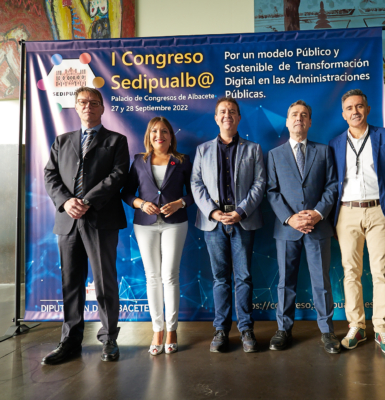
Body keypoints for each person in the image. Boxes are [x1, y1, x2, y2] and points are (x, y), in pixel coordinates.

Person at [43, 87, 129, 364]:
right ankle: (70, 340)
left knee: (105, 282)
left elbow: (118, 175)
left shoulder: (117, 141)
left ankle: (109, 339)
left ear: (102, 108)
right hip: (68, 221)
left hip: (101, 219)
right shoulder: (62, 140)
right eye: (82, 102)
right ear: (76, 107)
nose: (88, 106)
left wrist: (87, 201)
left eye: (94, 102)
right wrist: (67, 202)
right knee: (71, 283)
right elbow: (50, 174)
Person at [328, 89, 385, 355]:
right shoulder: (336, 143)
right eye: (349, 108)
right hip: (347, 213)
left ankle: (382, 329)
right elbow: (332, 184)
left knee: (380, 271)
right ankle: (356, 327)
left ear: (368, 109)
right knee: (350, 272)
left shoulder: (384, 136)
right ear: (343, 114)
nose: (355, 112)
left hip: (379, 212)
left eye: (359, 106)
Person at [191, 97, 266, 353]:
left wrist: (241, 211)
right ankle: (221, 330)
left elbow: (260, 183)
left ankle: (246, 329)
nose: (227, 115)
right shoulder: (202, 150)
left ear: (239, 118)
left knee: (244, 277)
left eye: (232, 112)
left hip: (242, 221)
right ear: (215, 117)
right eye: (222, 112)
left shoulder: (253, 149)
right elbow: (196, 184)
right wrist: (213, 212)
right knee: (220, 278)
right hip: (214, 223)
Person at [266, 100, 340, 354]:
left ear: (309, 122)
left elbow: (332, 186)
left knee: (321, 282)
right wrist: (290, 218)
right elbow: (272, 192)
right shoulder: (274, 155)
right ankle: (283, 330)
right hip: (287, 229)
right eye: (294, 115)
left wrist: (318, 214)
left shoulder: (324, 151)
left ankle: (327, 332)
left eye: (304, 115)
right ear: (287, 122)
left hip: (318, 227)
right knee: (285, 283)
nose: (299, 118)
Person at [122, 117, 193, 355]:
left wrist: (180, 203)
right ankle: (157, 330)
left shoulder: (182, 161)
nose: (159, 135)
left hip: (175, 223)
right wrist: (141, 203)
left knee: (170, 276)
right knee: (152, 276)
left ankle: (172, 330)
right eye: (154, 131)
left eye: (164, 131)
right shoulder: (139, 161)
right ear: (148, 135)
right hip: (145, 225)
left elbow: (195, 194)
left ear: (171, 136)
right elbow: (127, 193)